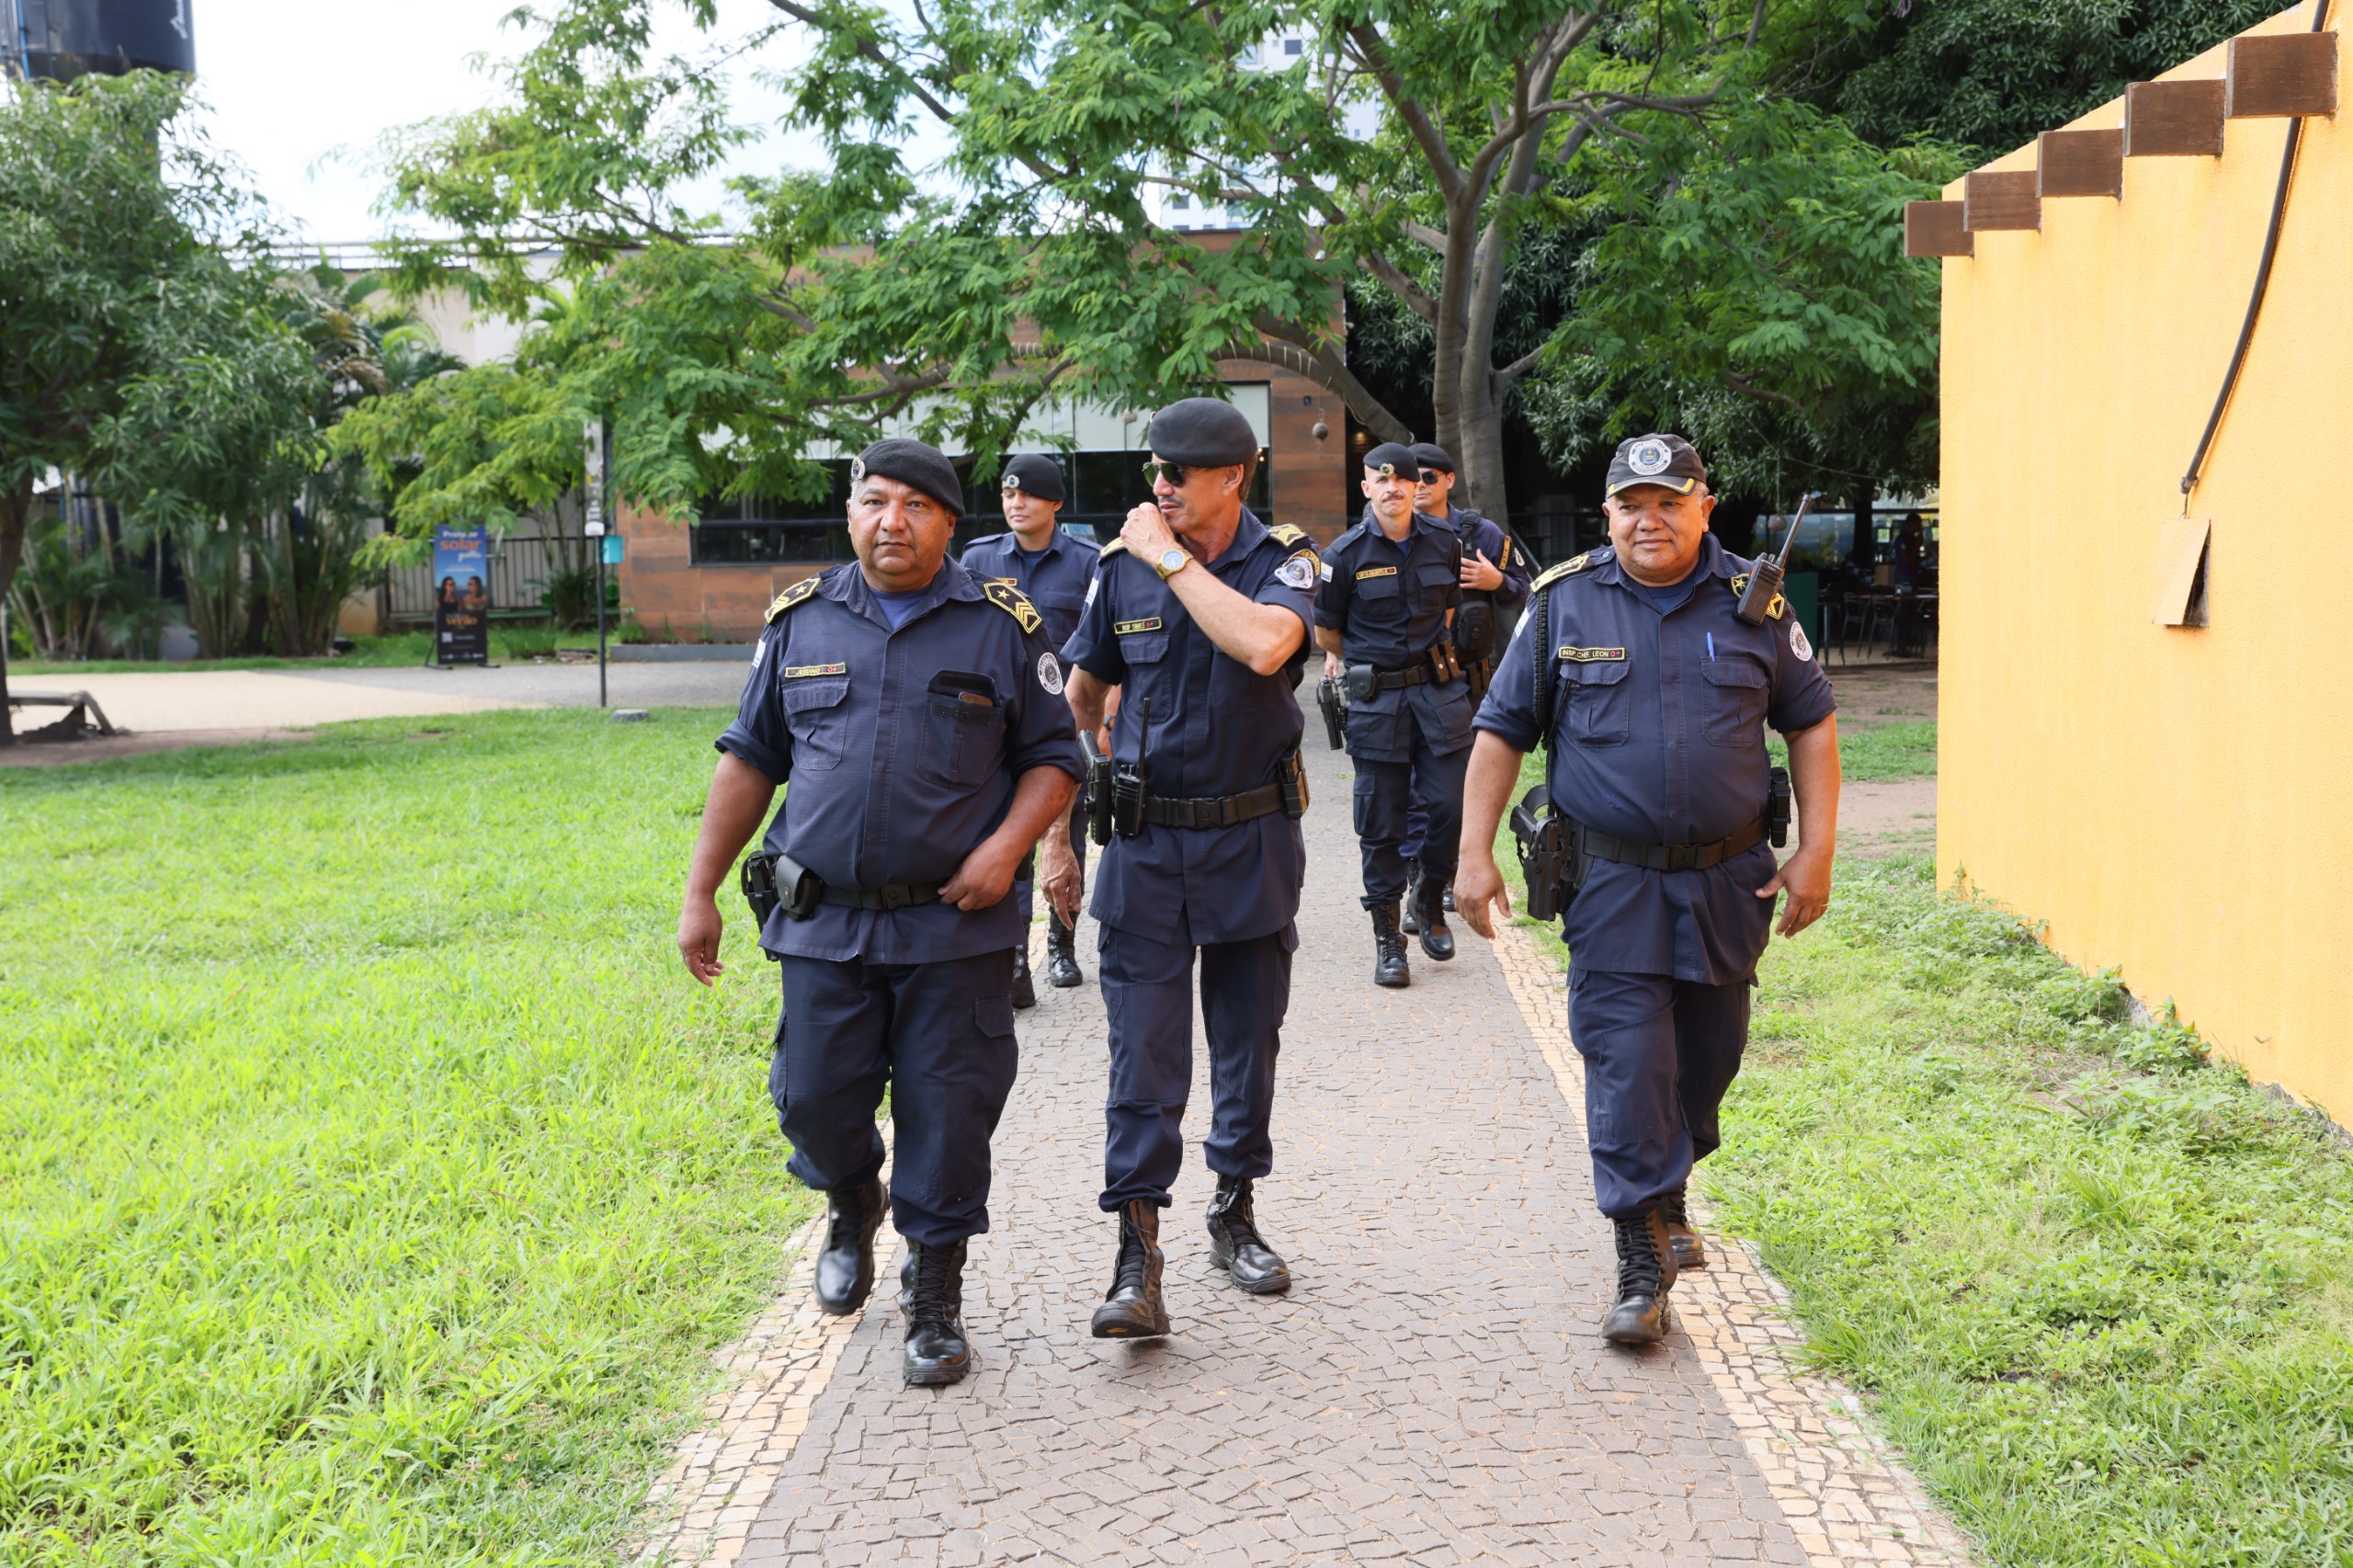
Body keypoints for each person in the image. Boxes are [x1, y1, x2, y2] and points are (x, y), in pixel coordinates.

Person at [675, 437, 1085, 1387]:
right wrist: (700, 888)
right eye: (872, 500)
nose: (889, 521)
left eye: (912, 505)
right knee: (813, 1098)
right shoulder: (800, 620)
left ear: (948, 522)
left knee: (947, 1113)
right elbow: (748, 759)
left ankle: (933, 1296)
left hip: (953, 925)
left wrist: (1005, 847)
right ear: (851, 510)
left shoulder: (1001, 625)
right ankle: (853, 1196)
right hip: (823, 922)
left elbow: (1056, 757)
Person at [1453, 433, 1840, 1346]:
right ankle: (1639, 1256)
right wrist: (1472, 854)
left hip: (1727, 882)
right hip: (1611, 884)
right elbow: (1501, 729)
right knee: (1627, 1064)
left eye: (1668, 501)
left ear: (1705, 505)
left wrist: (1816, 848)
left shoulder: (1755, 602)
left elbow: (1811, 722)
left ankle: (1665, 1187)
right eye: (1631, 503)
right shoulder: (1560, 605)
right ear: (1607, 514)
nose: (1648, 519)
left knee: (1707, 1063)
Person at [1047, 397, 1318, 1338]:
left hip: (1249, 840)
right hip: (1147, 846)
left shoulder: (1283, 560)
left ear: (1233, 476)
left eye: (1179, 474)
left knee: (1246, 1044)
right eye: (1154, 472)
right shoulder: (1117, 572)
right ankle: (1136, 1251)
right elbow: (1081, 692)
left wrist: (1169, 558)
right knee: (1143, 1058)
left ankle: (1233, 1209)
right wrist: (1068, 814)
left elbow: (1266, 644)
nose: (1158, 487)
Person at [1313, 442, 1471, 988]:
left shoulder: (1445, 542)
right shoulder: (1342, 556)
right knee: (1381, 821)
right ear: (1366, 489)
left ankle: (1428, 895)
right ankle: (1388, 936)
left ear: (1413, 487)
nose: (1392, 488)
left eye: (1402, 479)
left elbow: (1447, 608)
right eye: (1380, 481)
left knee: (1451, 806)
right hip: (1378, 702)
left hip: (1438, 694)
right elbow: (1327, 632)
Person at [958, 454, 1102, 1005]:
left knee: (1066, 832)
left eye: (1028, 496)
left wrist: (1103, 722)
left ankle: (1061, 943)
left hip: (1065, 723)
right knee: (1007, 833)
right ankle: (1015, 953)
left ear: (1056, 504)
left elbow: (1101, 651)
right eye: (1008, 496)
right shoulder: (979, 557)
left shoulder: (1089, 562)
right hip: (999, 725)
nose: (1016, 504)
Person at [1399, 442, 1529, 935]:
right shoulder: (1392, 533)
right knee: (1413, 784)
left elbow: (1523, 590)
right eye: (1413, 478)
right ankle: (1420, 874)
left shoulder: (1481, 533)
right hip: (1411, 681)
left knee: (1455, 785)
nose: (1419, 486)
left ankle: (1445, 872)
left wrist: (1496, 580)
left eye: (1429, 477)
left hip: (1467, 681)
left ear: (1449, 480)